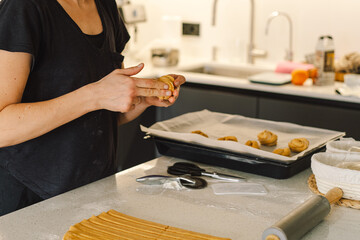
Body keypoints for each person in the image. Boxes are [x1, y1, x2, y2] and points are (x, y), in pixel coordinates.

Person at [0, 0, 185, 216]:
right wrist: (95, 95)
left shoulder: (105, 6)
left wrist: (141, 99)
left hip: (93, 191)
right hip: (27, 199)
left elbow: (104, 117)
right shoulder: (24, 7)